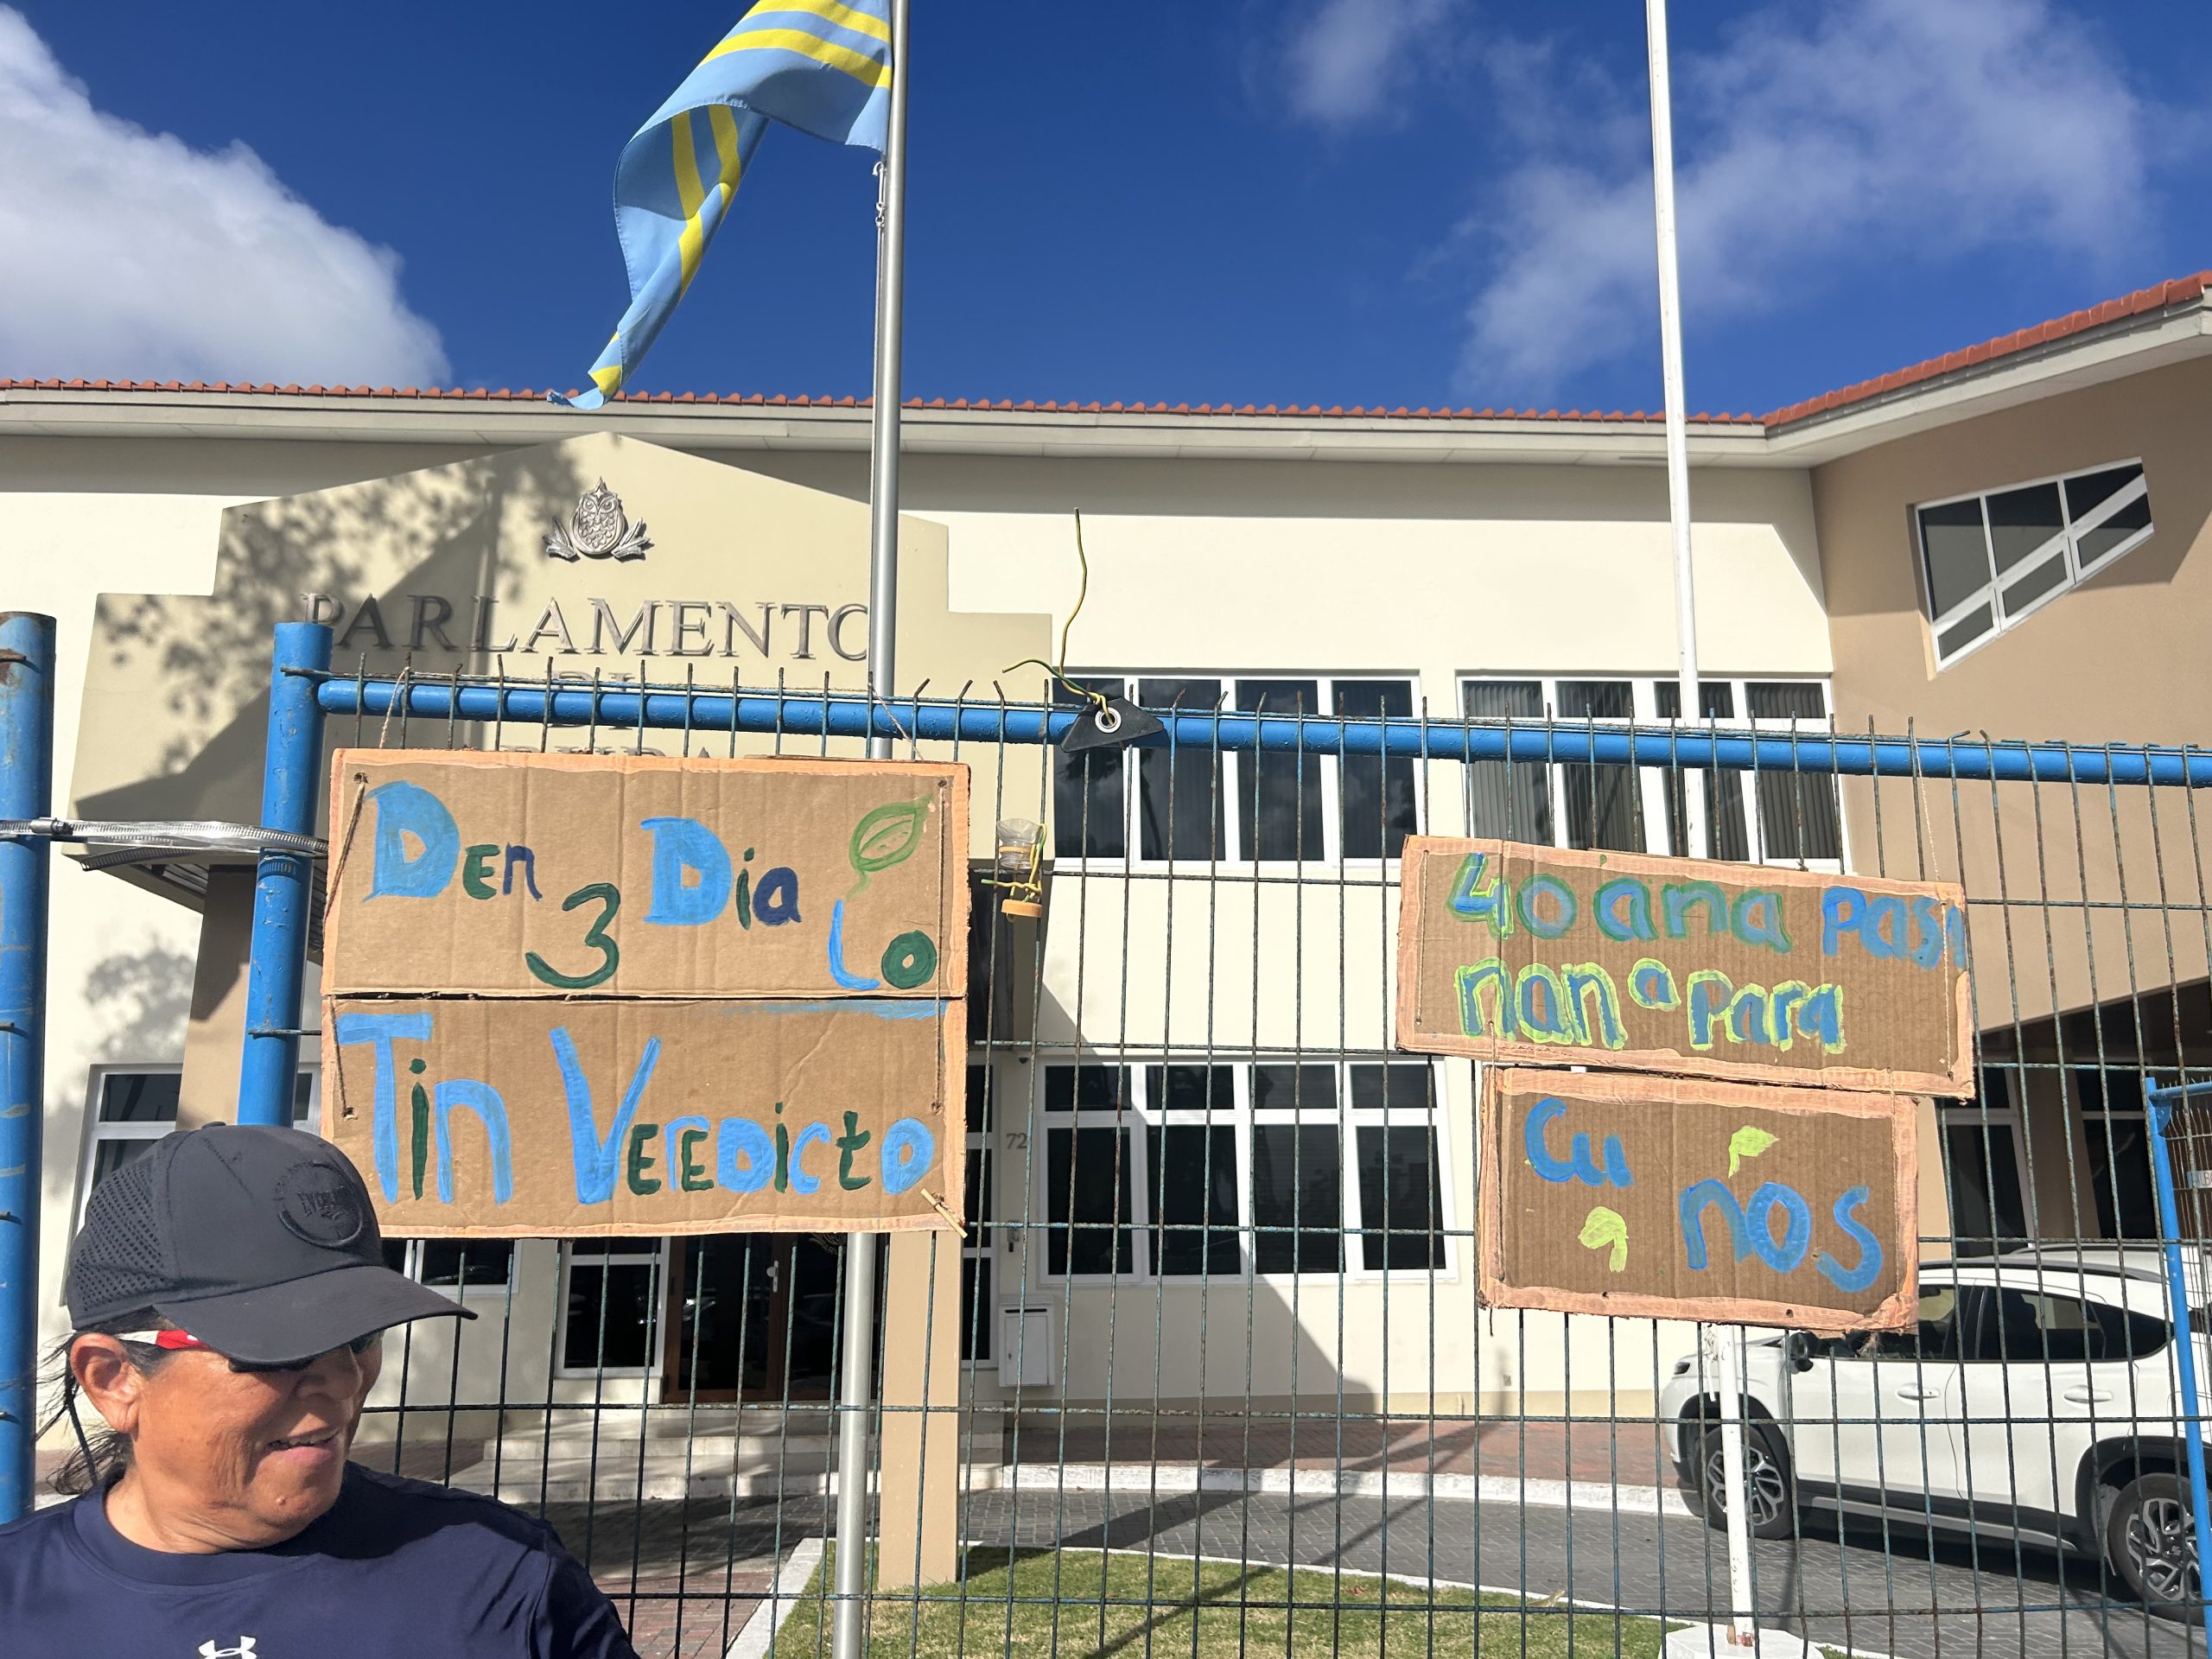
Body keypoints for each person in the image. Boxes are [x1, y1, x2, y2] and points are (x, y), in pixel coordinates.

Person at [0, 1123, 639, 1656]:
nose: (340, 1381)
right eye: (282, 1349)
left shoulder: (498, 1578)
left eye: (360, 1337)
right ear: (115, 1380)